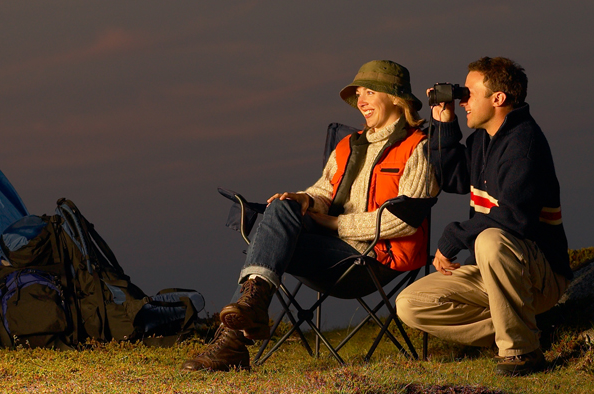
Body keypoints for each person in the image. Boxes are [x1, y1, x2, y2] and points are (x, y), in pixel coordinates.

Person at [182, 60, 439, 372]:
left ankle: (232, 339)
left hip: (374, 260)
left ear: (396, 98)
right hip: (330, 251)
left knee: (269, 240)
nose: (360, 101)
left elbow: (402, 221)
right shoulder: (348, 145)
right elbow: (324, 191)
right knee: (281, 207)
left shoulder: (420, 148)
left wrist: (335, 223)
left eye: (369, 92)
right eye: (358, 93)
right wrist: (304, 198)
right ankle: (249, 312)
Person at [396, 57, 572, 376]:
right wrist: (445, 125)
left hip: (540, 273)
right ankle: (521, 325)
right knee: (410, 303)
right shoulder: (483, 140)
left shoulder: (524, 145)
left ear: (498, 98)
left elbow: (514, 221)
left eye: (470, 93)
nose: (464, 100)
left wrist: (453, 237)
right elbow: (454, 180)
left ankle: (522, 351)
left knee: (490, 239)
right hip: (497, 272)